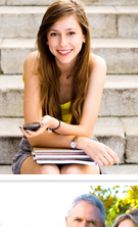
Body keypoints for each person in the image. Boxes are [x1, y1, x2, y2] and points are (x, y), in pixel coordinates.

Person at [12, 0, 119, 175]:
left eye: (71, 33)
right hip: (38, 148)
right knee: (48, 172)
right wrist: (77, 140)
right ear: (46, 38)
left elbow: (86, 130)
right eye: (54, 34)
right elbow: (35, 137)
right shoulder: (34, 62)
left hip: (84, 146)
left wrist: (54, 124)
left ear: (84, 36)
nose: (62, 43)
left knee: (73, 172)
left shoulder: (96, 65)